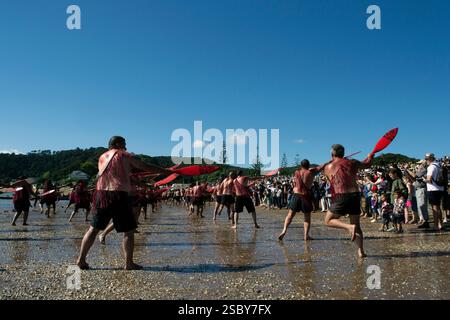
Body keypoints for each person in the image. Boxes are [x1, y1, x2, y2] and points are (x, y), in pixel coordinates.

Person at [76, 136, 169, 270]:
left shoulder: (102, 157)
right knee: (129, 231)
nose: (126, 147)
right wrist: (165, 171)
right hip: (119, 195)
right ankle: (129, 263)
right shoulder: (123, 155)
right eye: (124, 144)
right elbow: (144, 166)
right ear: (118, 144)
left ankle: (81, 260)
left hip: (101, 194)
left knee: (93, 229)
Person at [321, 144, 374, 258]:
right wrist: (370, 156)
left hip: (341, 196)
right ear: (343, 153)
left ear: (332, 154)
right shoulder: (352, 162)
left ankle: (348, 227)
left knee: (328, 220)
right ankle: (361, 251)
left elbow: (330, 179)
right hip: (355, 195)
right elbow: (367, 164)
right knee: (357, 225)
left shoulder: (327, 167)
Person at [278, 160, 317, 241]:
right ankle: (306, 235)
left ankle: (284, 230)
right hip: (305, 196)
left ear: (301, 165)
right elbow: (320, 167)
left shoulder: (296, 172)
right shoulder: (310, 173)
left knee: (290, 215)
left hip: (296, 195)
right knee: (307, 217)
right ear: (308, 165)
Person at [425, 153, 445, 231]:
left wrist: (424, 180)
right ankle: (441, 224)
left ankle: (436, 225)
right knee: (438, 207)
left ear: (429, 159)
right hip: (440, 188)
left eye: (426, 159)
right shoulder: (439, 165)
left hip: (433, 189)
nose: (426, 160)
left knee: (434, 208)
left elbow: (429, 179)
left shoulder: (431, 167)